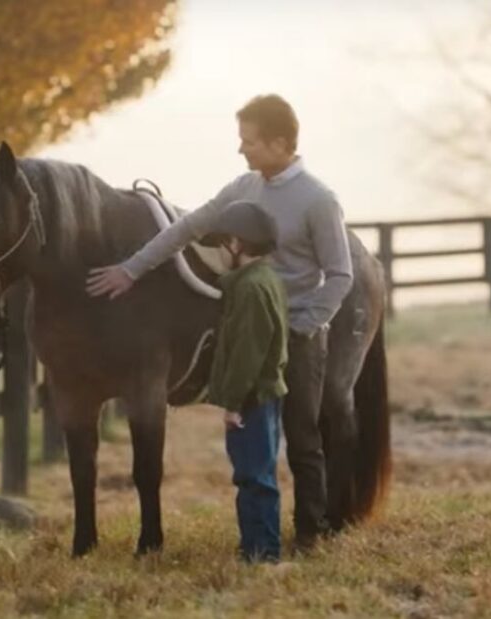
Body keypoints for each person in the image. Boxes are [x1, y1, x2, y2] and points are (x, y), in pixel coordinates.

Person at [86, 94, 353, 551]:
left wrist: (305, 326)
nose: (242, 150)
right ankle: (259, 539)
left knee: (303, 436)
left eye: (249, 141)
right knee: (250, 439)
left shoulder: (318, 199)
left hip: (299, 334)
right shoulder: (243, 188)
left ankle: (310, 531)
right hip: (252, 330)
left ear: (280, 142)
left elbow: (341, 275)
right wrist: (131, 269)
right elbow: (185, 229)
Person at [203, 201, 288, 563]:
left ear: (237, 244)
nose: (218, 253)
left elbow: (246, 354)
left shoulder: (250, 290)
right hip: (265, 393)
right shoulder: (264, 279)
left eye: (221, 244)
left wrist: (233, 402)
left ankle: (263, 552)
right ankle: (255, 546)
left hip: (252, 397)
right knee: (258, 472)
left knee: (253, 476)